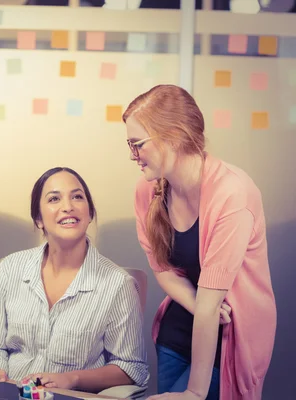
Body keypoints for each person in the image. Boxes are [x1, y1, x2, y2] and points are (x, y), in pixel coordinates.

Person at [124, 84, 276, 400]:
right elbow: (163, 269)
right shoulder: (146, 190)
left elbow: (212, 306)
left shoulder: (232, 194)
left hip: (230, 338)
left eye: (137, 144)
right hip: (178, 332)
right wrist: (195, 305)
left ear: (175, 136)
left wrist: (194, 392)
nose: (132, 155)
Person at [0, 167, 149, 393]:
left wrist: (72, 379)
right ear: (38, 218)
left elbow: (131, 367)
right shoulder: (10, 268)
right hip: (9, 394)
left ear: (89, 212)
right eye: (54, 199)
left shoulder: (117, 284)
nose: (68, 207)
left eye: (77, 197)